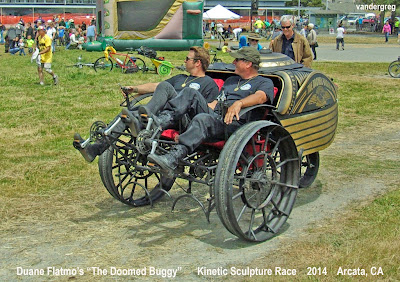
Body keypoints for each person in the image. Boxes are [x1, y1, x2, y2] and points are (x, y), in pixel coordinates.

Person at [73, 47, 219, 162]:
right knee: (128, 114)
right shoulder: (181, 77)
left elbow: (209, 109)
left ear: (197, 63)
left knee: (166, 87)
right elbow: (155, 86)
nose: (184, 61)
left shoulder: (209, 83)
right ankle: (96, 148)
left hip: (184, 120)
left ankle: (147, 118)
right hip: (163, 115)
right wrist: (135, 89)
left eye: (188, 58)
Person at [146, 47, 275, 175]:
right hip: (217, 118)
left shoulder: (264, 82)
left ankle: (173, 158)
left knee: (203, 119)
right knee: (191, 92)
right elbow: (215, 103)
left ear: (248, 64)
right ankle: (161, 121)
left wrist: (239, 103)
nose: (233, 62)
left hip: (235, 125)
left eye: (237, 60)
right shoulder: (231, 81)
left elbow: (261, 97)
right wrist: (196, 104)